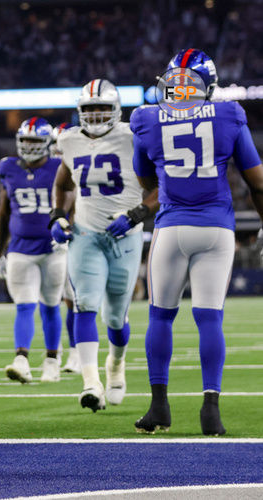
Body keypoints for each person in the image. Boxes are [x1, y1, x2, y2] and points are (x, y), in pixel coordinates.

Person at [130, 49, 263, 435]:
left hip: (171, 227)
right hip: (216, 227)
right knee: (209, 318)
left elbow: (146, 182)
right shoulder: (229, 115)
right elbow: (257, 182)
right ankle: (211, 412)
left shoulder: (146, 118)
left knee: (160, 315)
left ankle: (159, 408)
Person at [50, 79, 157, 412]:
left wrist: (138, 213)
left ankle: (116, 362)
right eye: (89, 109)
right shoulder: (68, 140)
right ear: (80, 111)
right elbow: (63, 183)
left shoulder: (133, 136)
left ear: (116, 110)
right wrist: (57, 215)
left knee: (115, 319)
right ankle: (90, 382)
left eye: (102, 108)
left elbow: (160, 186)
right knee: (84, 305)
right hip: (86, 234)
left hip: (125, 236)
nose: (95, 115)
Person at [0, 117, 66, 384]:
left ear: (47, 143)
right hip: (20, 248)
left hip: (53, 247)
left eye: (35, 141)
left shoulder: (59, 167)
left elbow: (70, 201)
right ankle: (21, 359)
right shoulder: (8, 167)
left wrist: (66, 227)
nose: (29, 145)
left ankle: (52, 361)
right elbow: (3, 213)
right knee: (24, 305)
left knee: (50, 305)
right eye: (25, 140)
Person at [50, 122, 80, 374]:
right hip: (49, 242)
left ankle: (75, 352)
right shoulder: (48, 170)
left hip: (74, 239)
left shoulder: (78, 167)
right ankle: (56, 351)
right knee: (49, 301)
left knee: (73, 300)